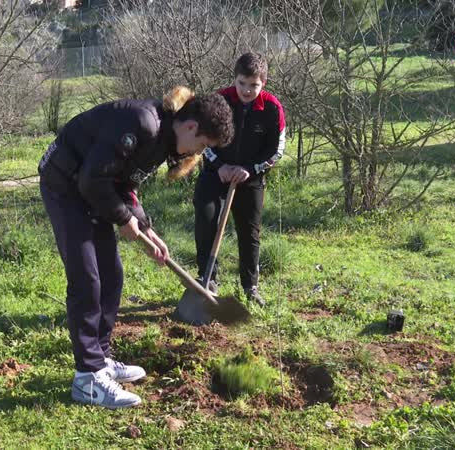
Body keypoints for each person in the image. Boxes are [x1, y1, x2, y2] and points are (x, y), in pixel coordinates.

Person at [38, 86, 234, 409]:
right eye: (200, 145)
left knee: (112, 275)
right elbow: (92, 180)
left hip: (90, 186)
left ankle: (100, 357)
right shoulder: (144, 124)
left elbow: (124, 182)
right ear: (191, 127)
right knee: (87, 277)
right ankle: (87, 378)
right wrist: (123, 218)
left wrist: (145, 226)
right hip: (65, 183)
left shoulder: (163, 142)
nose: (195, 153)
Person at [193, 52, 286, 307]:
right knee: (206, 217)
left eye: (254, 85)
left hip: (251, 178)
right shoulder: (219, 101)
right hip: (216, 173)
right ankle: (208, 279)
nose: (247, 90)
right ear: (235, 79)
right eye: (242, 83)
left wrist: (250, 170)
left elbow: (277, 150)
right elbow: (201, 139)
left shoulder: (272, 108)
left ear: (263, 83)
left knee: (250, 232)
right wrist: (220, 166)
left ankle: (250, 287)